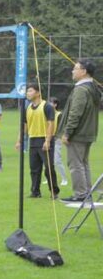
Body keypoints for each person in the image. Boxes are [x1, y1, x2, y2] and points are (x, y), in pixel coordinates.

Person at [58, 59, 101, 203]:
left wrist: (67, 133)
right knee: (83, 164)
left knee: (75, 164)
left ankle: (81, 194)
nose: (72, 71)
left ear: (84, 72)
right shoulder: (92, 87)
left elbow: (75, 113)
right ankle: (87, 193)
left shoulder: (81, 90)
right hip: (88, 132)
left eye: (75, 68)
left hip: (78, 134)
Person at [19, 86, 58, 199]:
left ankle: (54, 192)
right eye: (27, 91)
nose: (28, 93)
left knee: (48, 167)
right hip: (33, 140)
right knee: (34, 169)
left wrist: (48, 140)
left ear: (38, 93)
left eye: (30, 91)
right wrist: (20, 140)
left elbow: (51, 124)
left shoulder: (47, 106)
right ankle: (35, 192)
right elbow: (25, 125)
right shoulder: (27, 108)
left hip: (44, 139)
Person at [50, 96, 68, 186]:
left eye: (51, 103)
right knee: (48, 161)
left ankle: (64, 179)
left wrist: (57, 137)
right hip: (47, 139)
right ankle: (49, 178)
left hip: (56, 139)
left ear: (55, 105)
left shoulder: (59, 115)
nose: (49, 104)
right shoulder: (47, 114)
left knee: (57, 160)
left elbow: (62, 127)